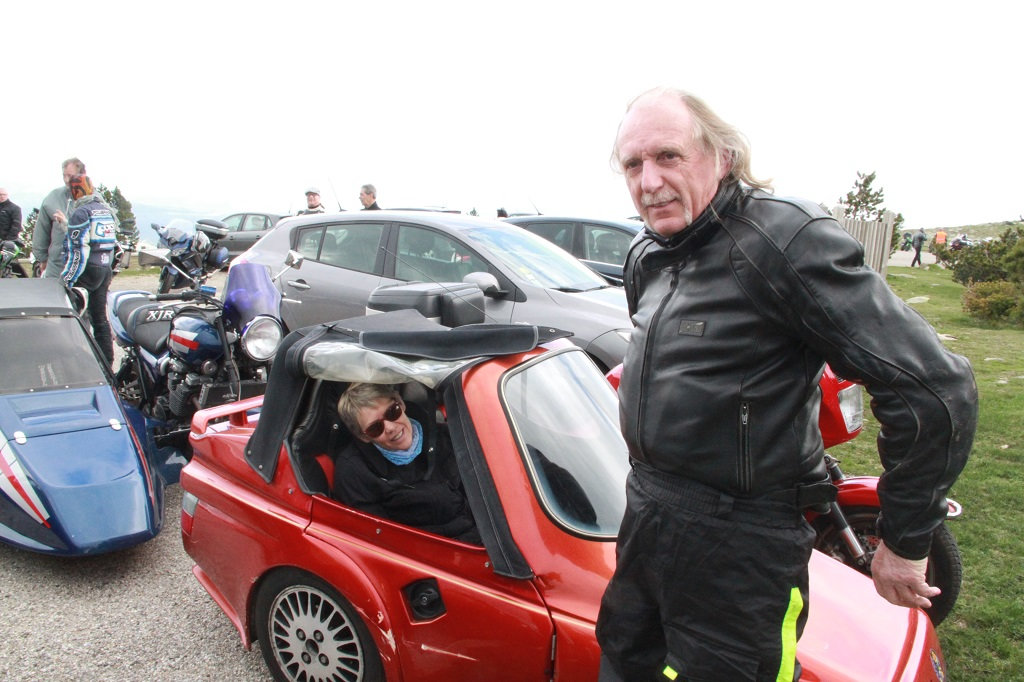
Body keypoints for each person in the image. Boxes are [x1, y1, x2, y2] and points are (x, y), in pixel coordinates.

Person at [596, 87, 977, 682]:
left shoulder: (783, 240)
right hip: (647, 516)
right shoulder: (649, 252)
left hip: (740, 543)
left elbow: (932, 388)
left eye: (668, 156)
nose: (649, 181)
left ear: (722, 157)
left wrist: (905, 539)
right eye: (633, 164)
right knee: (624, 663)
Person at [333, 382, 480, 543]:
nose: (390, 427)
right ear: (364, 437)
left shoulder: (446, 434)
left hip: (488, 532)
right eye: (375, 428)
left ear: (401, 403)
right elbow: (379, 540)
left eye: (392, 412)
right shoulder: (354, 472)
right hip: (439, 548)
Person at [61, 175, 116, 365]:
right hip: (104, 269)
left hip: (87, 272)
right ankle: (107, 364)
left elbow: (78, 250)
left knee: (73, 321)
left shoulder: (81, 213)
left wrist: (67, 279)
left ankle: (79, 365)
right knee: (100, 320)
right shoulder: (105, 210)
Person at [33, 157, 86, 278]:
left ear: (82, 175)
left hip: (85, 267)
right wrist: (42, 258)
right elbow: (42, 230)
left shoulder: (94, 199)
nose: (66, 180)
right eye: (64, 175)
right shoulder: (52, 198)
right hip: (56, 266)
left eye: (70, 176)